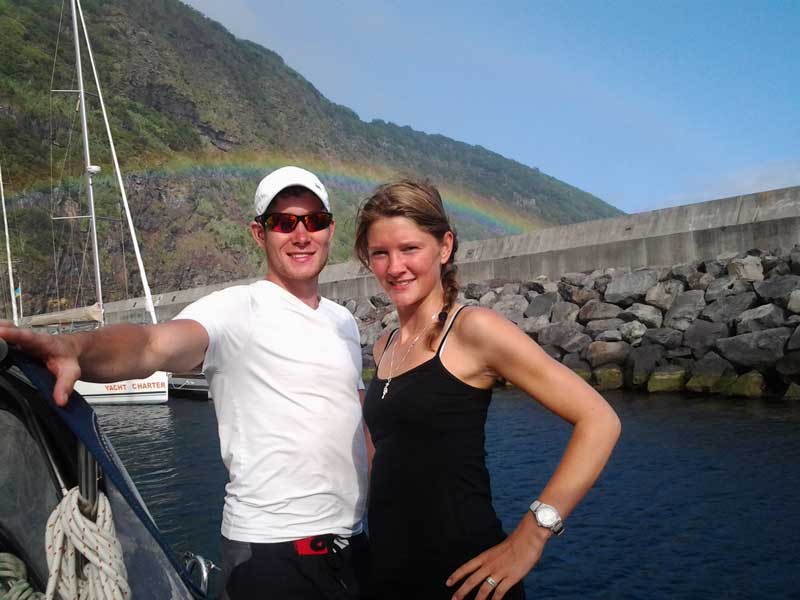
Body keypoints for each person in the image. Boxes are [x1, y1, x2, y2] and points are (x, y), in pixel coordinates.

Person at [0, 166, 371, 600]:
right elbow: (150, 345)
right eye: (284, 223)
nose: (302, 235)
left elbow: (357, 422)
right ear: (259, 233)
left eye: (315, 221)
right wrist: (74, 349)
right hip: (271, 555)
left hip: (353, 547)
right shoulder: (236, 309)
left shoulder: (343, 322)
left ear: (330, 229)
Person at [353, 180, 621, 600]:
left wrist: (531, 536)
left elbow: (600, 420)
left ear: (444, 247)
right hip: (388, 573)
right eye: (380, 253)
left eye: (409, 248)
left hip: (467, 578)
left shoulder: (473, 329)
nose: (395, 266)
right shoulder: (384, 345)